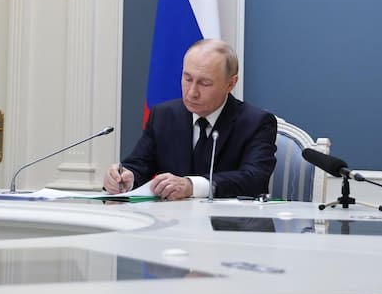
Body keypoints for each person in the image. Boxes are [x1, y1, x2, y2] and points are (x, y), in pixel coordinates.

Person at [104, 39, 277, 200]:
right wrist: (125, 178)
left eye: (205, 83)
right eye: (187, 79)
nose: (192, 92)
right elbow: (139, 165)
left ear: (230, 83)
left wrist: (192, 186)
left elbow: (254, 179)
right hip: (170, 219)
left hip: (226, 220)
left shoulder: (256, 122)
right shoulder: (164, 116)